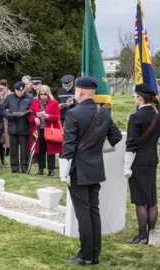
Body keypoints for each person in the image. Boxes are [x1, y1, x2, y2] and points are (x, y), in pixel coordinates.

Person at [59, 76, 122, 266]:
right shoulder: (103, 112)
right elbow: (116, 136)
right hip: (95, 167)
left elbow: (68, 146)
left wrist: (64, 172)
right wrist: (95, 149)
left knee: (83, 214)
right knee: (93, 211)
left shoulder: (73, 114)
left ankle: (85, 255)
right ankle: (94, 254)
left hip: (78, 169)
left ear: (79, 91)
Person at [123, 84, 160, 244]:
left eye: (135, 96)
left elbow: (131, 144)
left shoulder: (135, 117)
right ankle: (151, 234)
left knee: (140, 201)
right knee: (151, 199)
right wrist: (152, 140)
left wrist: (126, 166)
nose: (134, 99)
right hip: (152, 161)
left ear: (140, 98)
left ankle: (142, 236)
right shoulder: (159, 116)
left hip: (138, 162)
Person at [28, 85, 62, 176]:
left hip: (49, 129)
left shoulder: (54, 103)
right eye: (41, 94)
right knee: (40, 150)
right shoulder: (35, 103)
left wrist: (48, 116)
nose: (43, 96)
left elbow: (57, 117)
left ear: (48, 94)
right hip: (39, 130)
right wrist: (35, 118)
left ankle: (51, 170)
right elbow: (30, 114)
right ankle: (41, 169)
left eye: (45, 94)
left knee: (51, 150)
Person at [3, 81, 34, 173]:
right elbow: (2, 109)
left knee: (24, 149)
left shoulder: (30, 97)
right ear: (14, 90)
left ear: (25, 89)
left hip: (24, 126)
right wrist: (9, 115)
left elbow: (33, 109)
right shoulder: (9, 97)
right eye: (18, 91)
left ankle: (24, 167)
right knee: (13, 149)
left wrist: (28, 113)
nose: (20, 93)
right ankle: (14, 167)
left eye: (22, 91)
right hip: (13, 125)